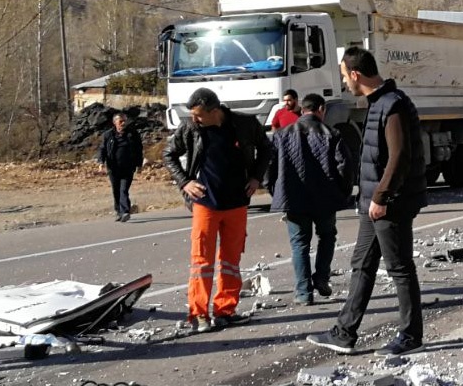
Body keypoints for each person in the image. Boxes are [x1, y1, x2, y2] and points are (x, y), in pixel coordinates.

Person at [307, 47, 427, 357]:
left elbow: (399, 156)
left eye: (344, 76)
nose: (344, 82)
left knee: (400, 268)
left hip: (390, 203)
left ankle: (411, 335)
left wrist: (381, 196)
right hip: (373, 203)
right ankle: (344, 333)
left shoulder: (393, 104)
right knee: (362, 265)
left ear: (355, 74)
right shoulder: (378, 103)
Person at [162, 88, 271, 333]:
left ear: (214, 111)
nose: (194, 119)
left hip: (237, 203)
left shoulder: (244, 124)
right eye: (192, 115)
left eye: (199, 114)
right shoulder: (191, 128)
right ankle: (199, 315)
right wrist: (184, 182)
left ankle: (225, 311)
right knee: (201, 261)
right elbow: (169, 154)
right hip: (205, 204)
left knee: (231, 260)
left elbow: (266, 148)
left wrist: (256, 177)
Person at [267, 93, 354, 306]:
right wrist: (343, 193)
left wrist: (276, 192)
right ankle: (321, 277)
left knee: (299, 244)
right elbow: (345, 167)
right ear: (321, 109)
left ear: (302, 109)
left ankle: (303, 292)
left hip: (293, 198)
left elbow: (269, 168)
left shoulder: (282, 135)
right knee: (327, 236)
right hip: (325, 198)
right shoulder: (331, 133)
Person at [97, 112, 144, 222]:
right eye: (120, 121)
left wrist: (139, 164)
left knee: (123, 189)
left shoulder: (132, 134)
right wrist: (101, 163)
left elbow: (139, 150)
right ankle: (118, 211)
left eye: (124, 121)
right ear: (115, 122)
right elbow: (102, 149)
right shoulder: (108, 135)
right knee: (116, 190)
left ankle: (125, 211)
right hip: (113, 168)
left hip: (128, 167)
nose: (123, 123)